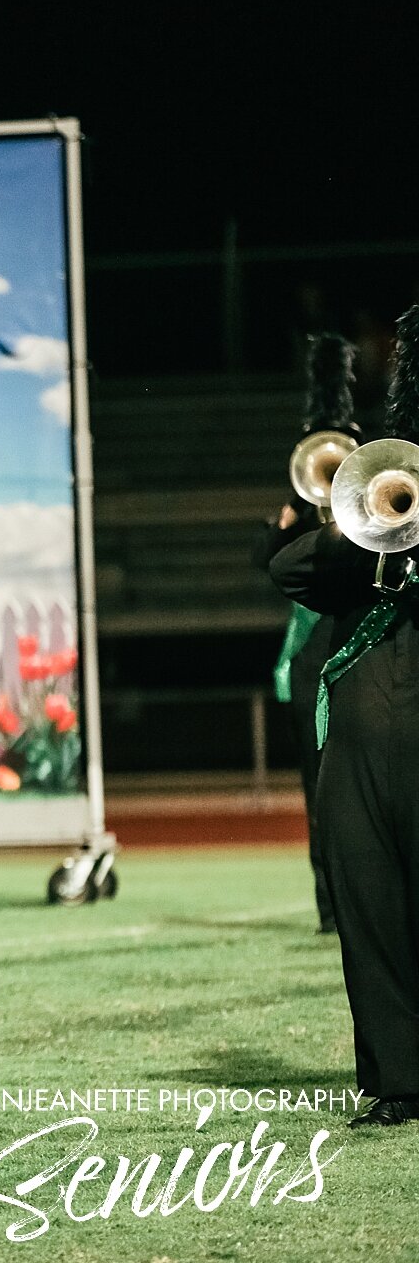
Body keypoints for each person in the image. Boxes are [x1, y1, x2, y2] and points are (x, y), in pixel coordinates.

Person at [272, 304, 419, 1128]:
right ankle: (395, 1080)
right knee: (369, 911)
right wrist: (357, 524)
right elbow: (288, 568)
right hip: (357, 754)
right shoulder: (354, 562)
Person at [260, 333, 358, 935]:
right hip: (309, 664)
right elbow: (267, 562)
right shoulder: (293, 516)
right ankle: (330, 906)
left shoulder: (372, 514)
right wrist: (287, 522)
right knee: (317, 789)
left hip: (358, 655)